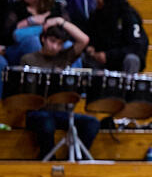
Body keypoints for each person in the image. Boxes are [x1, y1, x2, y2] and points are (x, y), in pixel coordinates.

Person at [20, 18, 99, 160]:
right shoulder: (28, 59)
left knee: (92, 123)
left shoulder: (63, 57)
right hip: (38, 112)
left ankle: (76, 159)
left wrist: (60, 21)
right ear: (43, 39)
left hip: (61, 113)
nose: (55, 47)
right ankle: (48, 157)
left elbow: (84, 39)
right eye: (52, 41)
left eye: (59, 44)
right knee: (46, 122)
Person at [1, 0, 62, 84]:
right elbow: (6, 37)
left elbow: (63, 31)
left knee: (68, 46)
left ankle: (69, 91)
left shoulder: (54, 8)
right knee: (33, 42)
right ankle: (36, 86)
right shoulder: (16, 8)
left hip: (49, 48)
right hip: (17, 49)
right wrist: (29, 22)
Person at [81, 0, 147, 74]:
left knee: (132, 59)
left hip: (120, 58)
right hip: (100, 60)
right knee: (83, 58)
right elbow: (89, 35)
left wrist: (109, 56)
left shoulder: (129, 17)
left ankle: (128, 86)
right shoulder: (96, 15)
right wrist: (90, 47)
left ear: (109, 0)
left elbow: (136, 46)